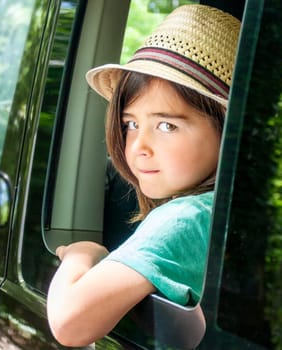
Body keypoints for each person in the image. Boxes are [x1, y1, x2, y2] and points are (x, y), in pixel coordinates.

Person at [46, 4, 241, 347]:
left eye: (167, 125)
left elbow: (69, 322)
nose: (138, 146)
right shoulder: (226, 215)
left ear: (227, 132)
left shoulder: (186, 218)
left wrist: (82, 253)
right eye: (131, 124)